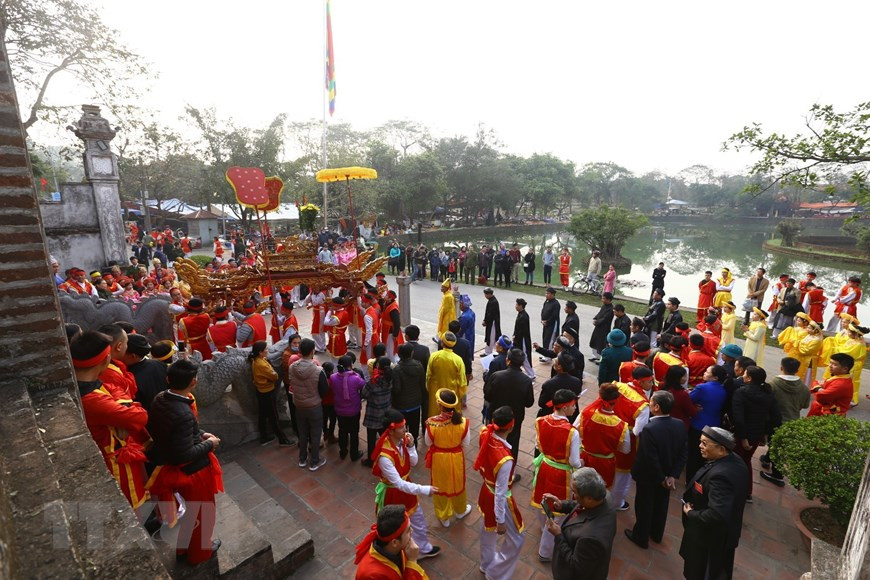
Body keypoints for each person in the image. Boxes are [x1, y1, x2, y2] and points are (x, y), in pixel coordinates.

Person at [147, 359, 224, 565]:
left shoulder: (161, 398)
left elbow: (179, 430)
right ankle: (200, 554)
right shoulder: (182, 412)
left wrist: (202, 434)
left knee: (192, 511)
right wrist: (210, 444)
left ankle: (184, 548)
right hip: (192, 470)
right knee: (202, 512)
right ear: (193, 382)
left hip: (170, 460)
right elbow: (185, 453)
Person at [71, 331, 149, 511]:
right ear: (106, 358)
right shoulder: (94, 401)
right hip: (114, 464)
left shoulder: (91, 383)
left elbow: (115, 389)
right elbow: (140, 416)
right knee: (129, 509)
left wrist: (122, 406)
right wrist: (126, 408)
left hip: (114, 449)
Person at [371, 409, 441, 560]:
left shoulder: (402, 441)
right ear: (391, 430)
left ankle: (423, 549)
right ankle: (402, 555)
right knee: (399, 528)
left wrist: (411, 446)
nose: (405, 430)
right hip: (394, 494)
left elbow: (413, 462)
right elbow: (398, 483)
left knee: (418, 520)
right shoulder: (385, 457)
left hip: (406, 487)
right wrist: (424, 489)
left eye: (404, 426)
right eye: (401, 427)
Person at [680, 426, 748, 580]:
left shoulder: (720, 477)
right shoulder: (734, 461)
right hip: (721, 534)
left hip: (708, 539)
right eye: (700, 442)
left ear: (721, 450)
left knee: (699, 571)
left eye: (705, 443)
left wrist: (691, 513)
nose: (700, 446)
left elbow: (716, 514)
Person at [625, 391, 687, 550]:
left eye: (651, 402)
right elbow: (683, 452)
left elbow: (650, 458)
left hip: (649, 476)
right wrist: (672, 476)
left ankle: (641, 536)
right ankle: (656, 533)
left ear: (657, 407)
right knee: (661, 504)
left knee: (644, 505)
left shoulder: (650, 429)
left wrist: (661, 478)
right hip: (667, 475)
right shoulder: (679, 424)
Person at [474, 406, 525, 579]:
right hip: (497, 497)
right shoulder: (505, 460)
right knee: (517, 539)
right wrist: (501, 520)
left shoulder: (484, 433)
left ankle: (486, 563)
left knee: (487, 531)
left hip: (486, 490)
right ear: (511, 426)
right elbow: (501, 493)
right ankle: (496, 573)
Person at [532, 389, 581, 562]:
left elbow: (538, 445)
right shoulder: (572, 432)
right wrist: (581, 463)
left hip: (545, 466)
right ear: (565, 407)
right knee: (557, 514)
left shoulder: (541, 421)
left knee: (542, 500)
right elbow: (574, 461)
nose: (575, 408)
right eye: (573, 405)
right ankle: (545, 552)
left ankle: (542, 527)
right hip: (561, 474)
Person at [542, 467, 616, 580]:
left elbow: (575, 565)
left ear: (589, 498)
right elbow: (581, 505)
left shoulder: (591, 538)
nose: (573, 495)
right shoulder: (604, 496)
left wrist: (558, 535)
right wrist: (562, 505)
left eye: (574, 492)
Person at [730, 365, 781, 502]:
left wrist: (743, 437)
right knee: (746, 460)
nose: (743, 376)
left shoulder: (741, 393)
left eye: (745, 374)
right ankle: (747, 491)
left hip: (743, 435)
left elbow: (739, 418)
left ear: (749, 378)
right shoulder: (768, 394)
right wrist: (765, 434)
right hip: (757, 434)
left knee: (735, 461)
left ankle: (735, 490)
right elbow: (775, 418)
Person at [760, 357, 810, 487]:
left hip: (775, 421)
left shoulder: (773, 384)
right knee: (778, 444)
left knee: (776, 447)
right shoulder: (804, 388)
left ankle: (777, 476)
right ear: (797, 370)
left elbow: (766, 404)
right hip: (793, 422)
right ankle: (766, 459)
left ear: (781, 368)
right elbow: (804, 405)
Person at [424, 389, 472, 527]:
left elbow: (428, 442)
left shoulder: (432, 423)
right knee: (458, 483)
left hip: (439, 459)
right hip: (456, 457)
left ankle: (443, 516)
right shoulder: (463, 422)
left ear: (440, 405)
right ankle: (460, 510)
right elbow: (466, 443)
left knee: (440, 486)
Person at [484, 349, 535, 472]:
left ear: (508, 361)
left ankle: (492, 466)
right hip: (515, 418)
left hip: (497, 416)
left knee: (495, 439)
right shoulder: (526, 381)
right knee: (513, 442)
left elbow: (487, 395)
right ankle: (510, 470)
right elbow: (529, 403)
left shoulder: (496, 376)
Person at [576, 384, 630, 488]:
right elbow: (625, 450)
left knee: (582, 487)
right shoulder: (622, 426)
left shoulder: (585, 414)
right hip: (606, 464)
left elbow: (575, 431)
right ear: (616, 401)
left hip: (586, 458)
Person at [353, 504, 427, 579]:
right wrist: (412, 562)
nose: (412, 531)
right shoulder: (370, 575)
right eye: (408, 530)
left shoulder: (400, 547)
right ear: (394, 542)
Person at [288, 338, 329, 471]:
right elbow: (324, 390)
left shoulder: (292, 367)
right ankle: (314, 461)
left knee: (303, 432)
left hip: (299, 405)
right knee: (315, 434)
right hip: (314, 406)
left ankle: (302, 459)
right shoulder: (318, 370)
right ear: (312, 351)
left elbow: (291, 383)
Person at [686, 365, 728, 483]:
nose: (704, 373)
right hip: (714, 425)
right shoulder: (723, 390)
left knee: (694, 454)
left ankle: (690, 480)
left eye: (707, 372)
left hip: (698, 424)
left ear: (715, 377)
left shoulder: (702, 388)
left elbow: (688, 400)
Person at [250, 340, 294, 447]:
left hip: (261, 391)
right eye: (265, 349)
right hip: (267, 392)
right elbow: (274, 376)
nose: (267, 350)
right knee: (273, 416)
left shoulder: (257, 359)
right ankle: (282, 439)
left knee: (263, 414)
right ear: (260, 352)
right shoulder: (261, 364)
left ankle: (264, 436)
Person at [820, 323, 866, 406]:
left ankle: (851, 399)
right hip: (848, 363)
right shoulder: (852, 340)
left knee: (851, 382)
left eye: (850, 332)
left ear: (855, 334)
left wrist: (835, 348)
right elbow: (843, 347)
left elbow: (846, 352)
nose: (848, 333)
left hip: (853, 365)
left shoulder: (858, 344)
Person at [425, 332, 467, 421]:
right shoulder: (458, 360)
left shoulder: (434, 356)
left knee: (435, 414)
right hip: (451, 392)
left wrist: (429, 388)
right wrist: (460, 395)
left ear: (442, 343)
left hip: (435, 391)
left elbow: (428, 375)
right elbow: (462, 381)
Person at [331, 355, 366, 461]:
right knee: (354, 432)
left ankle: (343, 451)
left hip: (339, 409)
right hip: (354, 410)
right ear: (350, 365)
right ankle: (354, 454)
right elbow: (363, 385)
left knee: (342, 430)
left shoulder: (333, 377)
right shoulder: (355, 378)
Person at [362, 357, 395, 466]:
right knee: (385, 437)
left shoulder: (373, 382)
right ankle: (389, 456)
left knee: (371, 439)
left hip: (373, 414)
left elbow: (364, 394)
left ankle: (371, 460)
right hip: (386, 413)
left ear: (378, 366)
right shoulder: (390, 378)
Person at [392, 344, 427, 446]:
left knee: (402, 429)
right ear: (411, 353)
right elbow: (423, 385)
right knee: (414, 427)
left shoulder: (397, 369)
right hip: (416, 403)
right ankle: (413, 445)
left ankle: (403, 447)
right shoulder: (419, 366)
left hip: (401, 405)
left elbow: (397, 389)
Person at [536, 353, 583, 420]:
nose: (554, 359)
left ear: (559, 367)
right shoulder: (577, 381)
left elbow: (541, 403)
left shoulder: (549, 384)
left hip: (553, 415)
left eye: (556, 360)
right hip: (570, 415)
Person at [808, 352, 855, 416]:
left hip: (830, 414)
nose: (830, 366)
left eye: (834, 364)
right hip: (825, 409)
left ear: (845, 369)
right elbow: (817, 383)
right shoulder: (839, 377)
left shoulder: (841, 384)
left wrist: (818, 388)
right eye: (830, 363)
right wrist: (820, 388)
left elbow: (821, 396)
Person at [512, 298, 535, 379]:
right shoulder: (520, 314)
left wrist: (516, 337)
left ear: (521, 306)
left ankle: (531, 374)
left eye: (516, 305)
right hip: (519, 338)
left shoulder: (524, 316)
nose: (515, 306)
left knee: (525, 356)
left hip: (523, 340)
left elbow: (522, 331)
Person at [589, 292, 614, 362]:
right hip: (598, 328)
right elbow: (599, 314)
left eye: (604, 298)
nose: (602, 300)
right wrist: (595, 318)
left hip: (604, 329)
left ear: (608, 300)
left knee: (601, 344)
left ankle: (601, 359)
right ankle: (595, 356)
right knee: (595, 341)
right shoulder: (604, 306)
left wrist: (596, 322)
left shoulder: (610, 309)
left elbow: (605, 319)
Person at [540, 287, 561, 361]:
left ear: (552, 294)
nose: (546, 294)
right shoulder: (546, 301)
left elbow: (554, 316)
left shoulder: (556, 304)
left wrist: (547, 322)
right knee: (545, 338)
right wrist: (542, 320)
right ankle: (545, 354)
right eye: (546, 293)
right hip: (545, 324)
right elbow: (543, 311)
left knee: (550, 340)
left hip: (552, 325)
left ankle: (548, 356)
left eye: (548, 293)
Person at [481, 288, 501, 356]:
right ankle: (488, 351)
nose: (485, 296)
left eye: (486, 294)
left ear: (489, 294)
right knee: (490, 337)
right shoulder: (491, 301)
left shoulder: (493, 302)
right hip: (490, 322)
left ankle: (491, 352)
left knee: (492, 337)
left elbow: (490, 314)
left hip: (493, 322)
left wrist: (485, 321)